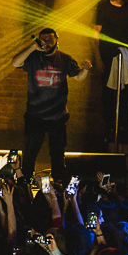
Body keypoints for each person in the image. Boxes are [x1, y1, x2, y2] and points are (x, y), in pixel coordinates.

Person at [10, 27, 92, 181]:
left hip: (58, 115)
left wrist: (86, 69)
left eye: (50, 40)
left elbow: (79, 77)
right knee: (30, 152)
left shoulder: (65, 59)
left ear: (56, 40)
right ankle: (25, 182)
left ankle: (58, 183)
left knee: (57, 154)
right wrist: (33, 47)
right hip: (35, 115)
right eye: (43, 40)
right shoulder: (33, 57)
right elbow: (15, 63)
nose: (47, 43)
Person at [94, 0, 128, 146]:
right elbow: (95, 34)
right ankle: (109, 128)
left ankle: (123, 127)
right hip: (108, 55)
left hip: (127, 55)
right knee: (108, 93)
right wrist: (98, 58)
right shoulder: (104, 7)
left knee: (127, 91)